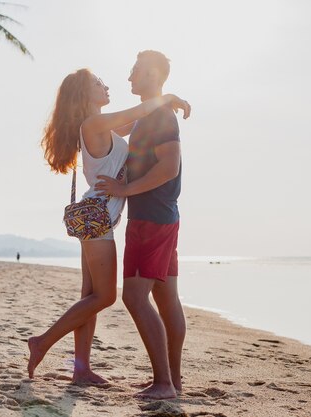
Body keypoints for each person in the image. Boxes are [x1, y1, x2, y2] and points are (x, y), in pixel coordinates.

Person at [28, 68, 190, 385]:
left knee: (90, 295)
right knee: (104, 297)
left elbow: (140, 120)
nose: (105, 85)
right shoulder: (94, 124)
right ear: (85, 95)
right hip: (99, 221)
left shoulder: (103, 126)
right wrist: (168, 97)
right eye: (97, 83)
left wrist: (165, 106)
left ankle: (81, 369)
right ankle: (43, 341)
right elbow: (142, 111)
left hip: (97, 219)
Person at [94, 50, 187, 399]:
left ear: (151, 73)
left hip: (151, 217)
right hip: (162, 215)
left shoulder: (161, 116)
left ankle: (164, 382)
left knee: (134, 296)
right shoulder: (151, 115)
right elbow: (110, 127)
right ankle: (172, 381)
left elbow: (169, 167)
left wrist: (124, 189)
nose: (130, 78)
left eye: (135, 71)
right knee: (166, 298)